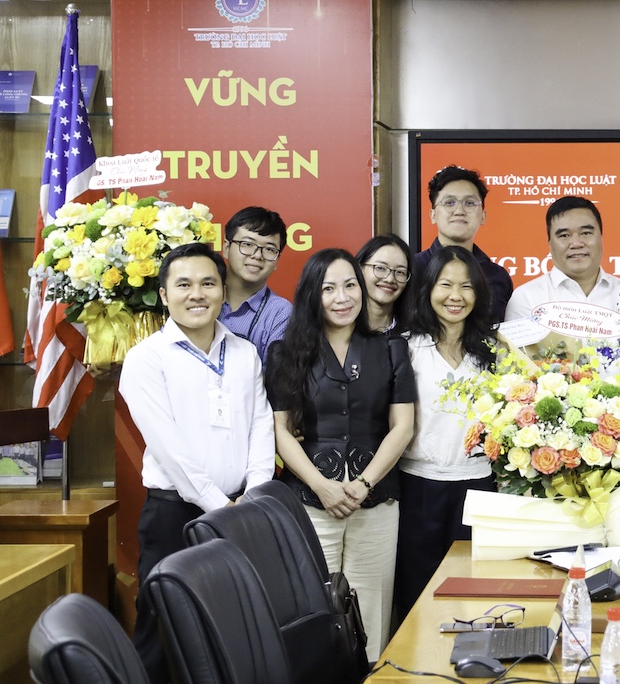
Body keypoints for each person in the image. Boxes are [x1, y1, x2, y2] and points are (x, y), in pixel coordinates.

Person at [119, 242, 275, 683]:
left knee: (231, 626)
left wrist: (254, 497)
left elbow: (261, 424)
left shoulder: (243, 352)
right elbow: (169, 448)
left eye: (208, 283)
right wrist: (221, 507)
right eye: (183, 284)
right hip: (175, 515)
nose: (197, 294)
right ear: (164, 294)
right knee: (161, 627)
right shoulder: (147, 358)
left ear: (223, 291)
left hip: (240, 509)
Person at [265, 248, 416, 657]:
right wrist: (322, 486)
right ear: (312, 294)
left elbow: (403, 426)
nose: (342, 297)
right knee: (316, 608)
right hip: (311, 499)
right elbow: (280, 430)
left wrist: (365, 483)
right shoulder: (285, 352)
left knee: (372, 605)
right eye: (329, 288)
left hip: (377, 497)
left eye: (350, 285)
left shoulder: (390, 348)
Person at [395, 246, 499, 619]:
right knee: (416, 593)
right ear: (428, 289)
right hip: (417, 486)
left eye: (466, 286)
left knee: (472, 591)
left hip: (478, 487)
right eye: (446, 284)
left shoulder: (493, 350)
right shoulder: (406, 347)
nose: (456, 296)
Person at [413, 165, 513, 323]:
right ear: (433, 215)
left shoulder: (498, 276)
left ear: (483, 216)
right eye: (449, 202)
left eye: (470, 203)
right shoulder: (413, 270)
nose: (459, 211)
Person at [506, 196, 620, 320]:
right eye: (564, 235)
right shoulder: (527, 298)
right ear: (550, 243)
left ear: (601, 237)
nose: (576, 243)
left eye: (586, 233)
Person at [218, 205, 293, 363]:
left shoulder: (280, 313)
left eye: (269, 249)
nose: (257, 255)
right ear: (226, 248)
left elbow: (275, 375)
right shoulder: (201, 296)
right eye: (247, 244)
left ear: (277, 260)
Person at [357, 234, 414, 334]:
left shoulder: (415, 336)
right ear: (360, 268)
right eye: (380, 268)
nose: (390, 279)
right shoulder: (341, 328)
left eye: (400, 272)